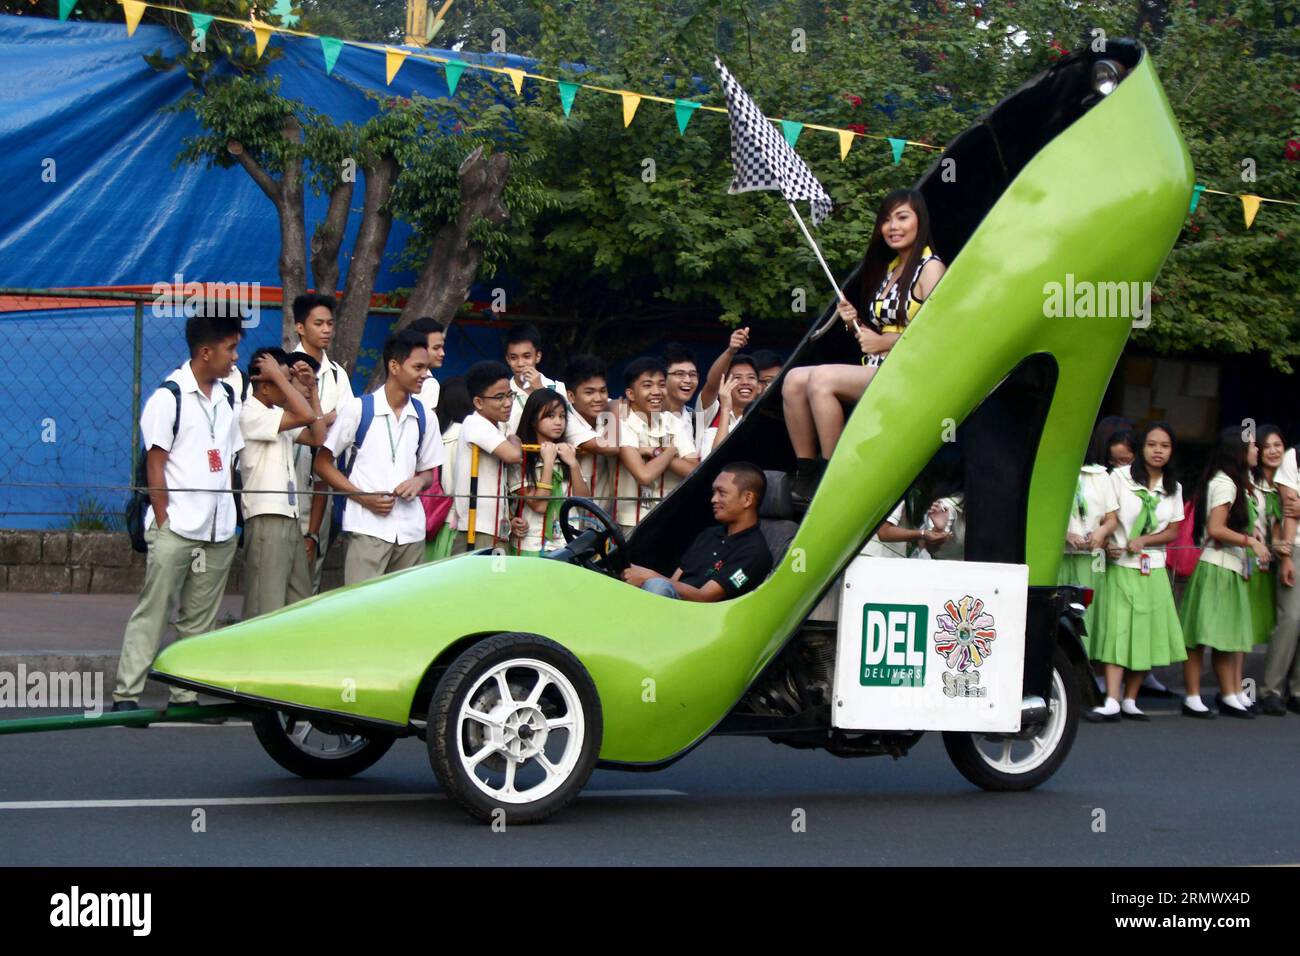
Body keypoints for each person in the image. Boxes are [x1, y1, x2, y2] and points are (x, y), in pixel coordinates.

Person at [111, 312, 244, 714]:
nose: (235, 357)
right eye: (230, 348)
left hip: (219, 530)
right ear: (206, 352)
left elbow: (229, 458)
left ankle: (185, 695)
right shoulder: (168, 397)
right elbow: (156, 465)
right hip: (178, 527)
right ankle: (126, 695)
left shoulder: (228, 396)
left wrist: (230, 518)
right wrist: (165, 522)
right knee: (154, 611)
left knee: (199, 621)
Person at [783, 188, 946, 505]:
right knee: (793, 380)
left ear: (920, 221)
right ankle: (806, 472)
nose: (892, 227)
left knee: (821, 380)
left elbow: (936, 335)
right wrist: (853, 322)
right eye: (886, 220)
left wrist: (883, 341)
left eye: (902, 217)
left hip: (912, 373)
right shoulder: (890, 270)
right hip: (878, 368)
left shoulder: (931, 267)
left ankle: (834, 473)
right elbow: (879, 334)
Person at [314, 330, 444, 584]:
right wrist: (363, 497)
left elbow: (429, 473)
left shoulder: (426, 416)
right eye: (418, 367)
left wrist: (418, 482)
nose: (425, 375)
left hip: (411, 530)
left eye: (426, 368)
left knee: (407, 610)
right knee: (362, 611)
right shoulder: (359, 409)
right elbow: (322, 463)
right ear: (394, 366)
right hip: (366, 527)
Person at [1089, 422, 1187, 722]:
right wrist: (1108, 544)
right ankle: (1112, 699)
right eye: (1152, 444)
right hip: (1121, 567)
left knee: (1147, 634)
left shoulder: (1173, 487)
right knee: (1117, 632)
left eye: (1165, 446)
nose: (1158, 451)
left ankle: (1131, 699)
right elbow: (1108, 518)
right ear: (1142, 447)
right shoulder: (1119, 477)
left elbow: (1173, 531)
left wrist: (1145, 540)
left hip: (1152, 568)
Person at [1180, 427, 1265, 719]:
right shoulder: (1226, 483)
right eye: (1253, 446)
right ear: (1238, 451)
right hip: (1216, 566)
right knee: (1199, 636)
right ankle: (1192, 696)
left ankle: (1229, 694)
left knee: (1225, 637)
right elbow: (1216, 528)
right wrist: (1250, 540)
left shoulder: (1237, 483)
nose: (1258, 451)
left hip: (1229, 566)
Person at [238, 348, 327, 618]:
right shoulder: (252, 414)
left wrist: (312, 392)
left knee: (299, 599)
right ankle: (257, 658)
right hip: (267, 517)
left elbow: (318, 436)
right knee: (267, 603)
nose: (290, 386)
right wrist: (279, 374)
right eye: (284, 381)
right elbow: (306, 417)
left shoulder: (277, 414)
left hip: (288, 515)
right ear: (265, 386)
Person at [622, 462, 773, 601]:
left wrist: (649, 577)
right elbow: (675, 580)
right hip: (674, 607)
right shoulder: (709, 535)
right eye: (714, 493)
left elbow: (705, 597)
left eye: (722, 493)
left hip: (708, 622)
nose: (713, 499)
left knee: (657, 586)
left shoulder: (755, 553)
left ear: (747, 499)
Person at [288, 293, 354, 589]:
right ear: (300, 327)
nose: (326, 329)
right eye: (319, 323)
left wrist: (321, 421)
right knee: (281, 566)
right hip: (285, 479)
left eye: (330, 323)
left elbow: (348, 420)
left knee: (313, 557)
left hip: (321, 478)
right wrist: (326, 418)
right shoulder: (282, 367)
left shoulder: (337, 374)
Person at [615, 357, 699, 537]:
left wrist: (655, 452)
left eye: (661, 385)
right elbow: (644, 475)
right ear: (630, 394)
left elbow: (694, 470)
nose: (657, 391)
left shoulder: (673, 421)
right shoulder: (621, 424)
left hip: (672, 517)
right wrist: (671, 451)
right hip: (633, 522)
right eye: (647, 385)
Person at [1058, 425, 1122, 659]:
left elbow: (1112, 518)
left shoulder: (1100, 475)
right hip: (1058, 557)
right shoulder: (1051, 470)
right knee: (1058, 613)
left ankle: (1086, 670)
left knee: (1089, 617)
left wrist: (1102, 532)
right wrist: (1064, 534)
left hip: (1090, 558)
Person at [449, 360, 525, 553]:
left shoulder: (496, 426)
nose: (508, 403)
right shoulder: (475, 423)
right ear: (479, 402)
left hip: (493, 528)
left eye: (510, 395)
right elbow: (513, 455)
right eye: (500, 397)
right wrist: (514, 439)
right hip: (477, 528)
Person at [509, 389, 592, 555]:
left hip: (567, 544)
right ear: (533, 419)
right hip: (531, 544)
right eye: (550, 416)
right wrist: (548, 462)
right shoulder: (521, 456)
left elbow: (583, 501)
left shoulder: (567, 453)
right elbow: (539, 505)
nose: (558, 422)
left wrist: (573, 464)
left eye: (562, 416)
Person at [1261, 432, 1300, 715]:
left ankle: (1297, 691)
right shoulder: (1294, 457)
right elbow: (1290, 508)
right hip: (1296, 547)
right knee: (1291, 618)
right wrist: (1286, 557)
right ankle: (1270, 690)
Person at [565, 355, 620, 518]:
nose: (598, 398)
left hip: (605, 519)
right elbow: (610, 446)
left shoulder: (608, 411)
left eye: (603, 391)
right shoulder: (565, 419)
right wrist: (616, 409)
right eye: (589, 392)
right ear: (571, 396)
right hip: (570, 518)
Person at [1250, 426, 1284, 661]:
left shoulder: (1291, 482)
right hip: (1254, 561)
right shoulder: (1249, 482)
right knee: (1251, 624)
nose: (1273, 451)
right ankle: (1238, 688)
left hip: (1284, 560)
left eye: (1278, 445)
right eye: (1267, 446)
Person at [662, 342, 700, 445]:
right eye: (680, 374)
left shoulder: (694, 419)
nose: (688, 380)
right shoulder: (650, 415)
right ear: (663, 378)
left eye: (693, 375)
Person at [409, 317, 447, 411]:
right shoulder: (429, 384)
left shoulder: (397, 378)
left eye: (442, 348)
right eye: (436, 348)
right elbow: (425, 424)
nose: (442, 353)